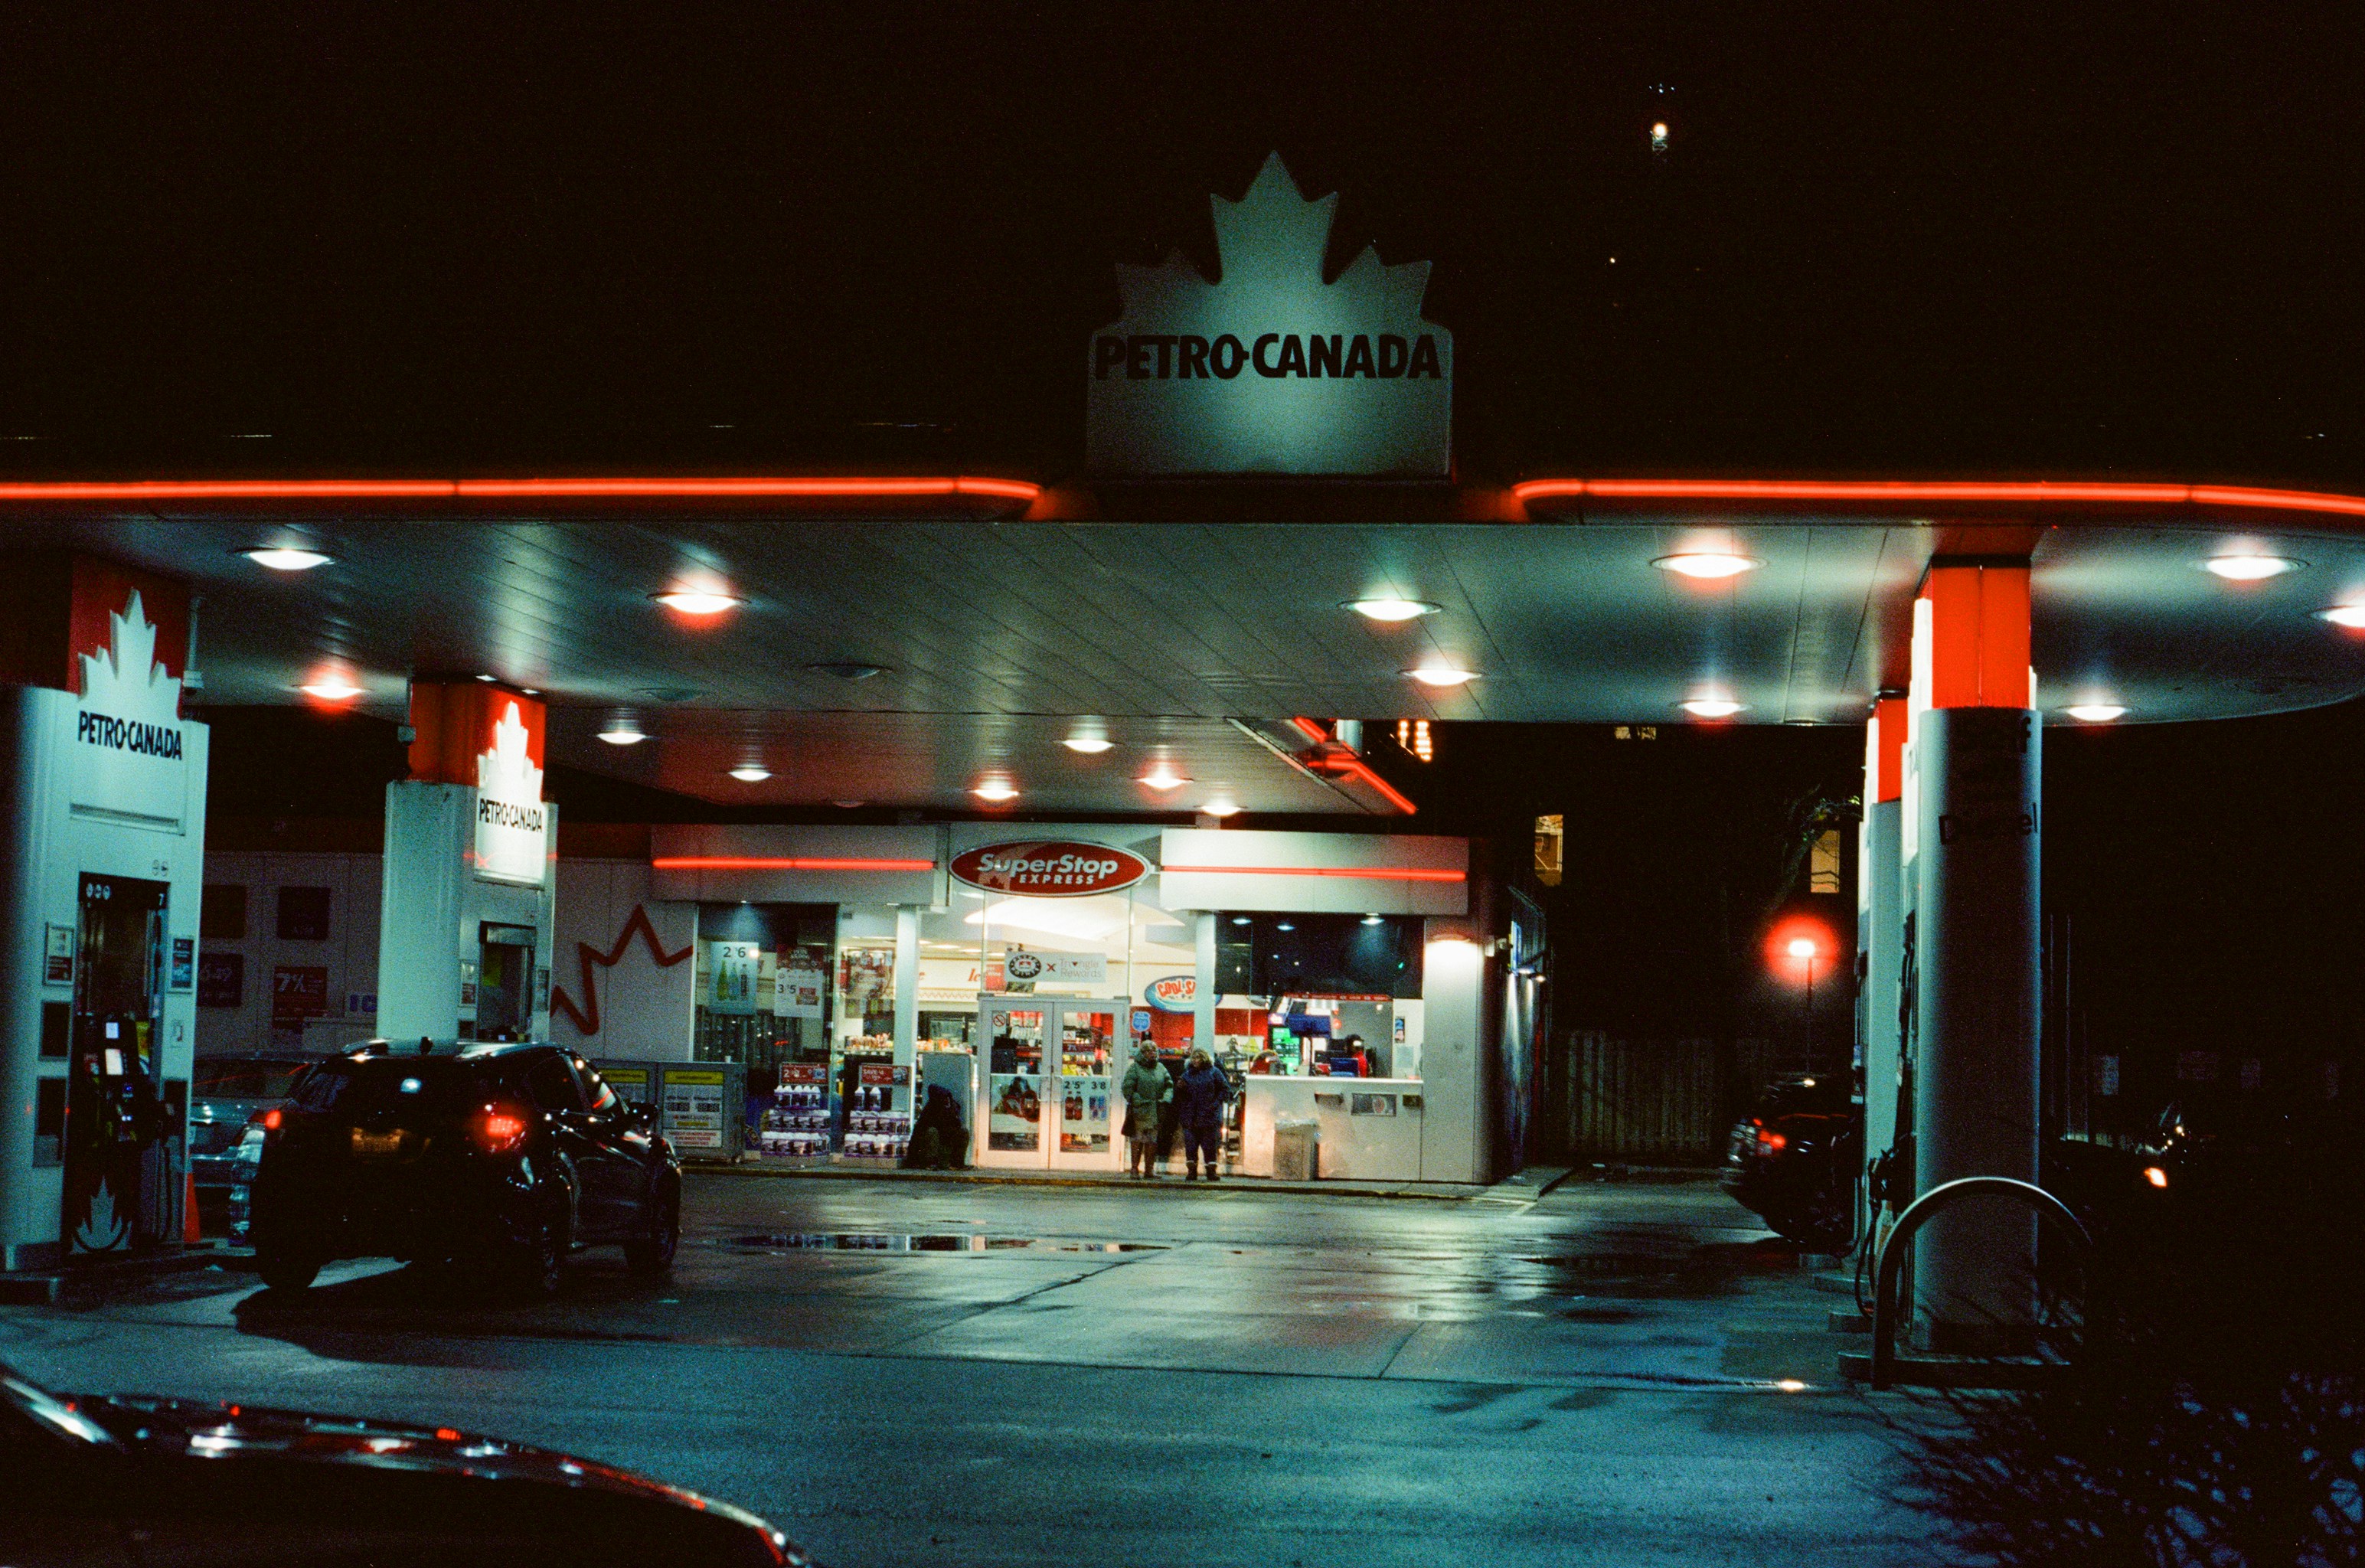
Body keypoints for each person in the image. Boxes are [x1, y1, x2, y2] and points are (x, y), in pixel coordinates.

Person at [1175, 1047, 1233, 1181]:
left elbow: (1225, 1090)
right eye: (1194, 1058)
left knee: (1209, 1146)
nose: (1196, 1061)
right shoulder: (1188, 1074)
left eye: (1199, 1058)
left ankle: (1210, 1172)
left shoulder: (1214, 1072)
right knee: (1191, 1146)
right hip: (1193, 1116)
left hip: (1207, 1116)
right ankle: (1192, 1171)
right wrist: (1180, 1088)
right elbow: (1180, 1095)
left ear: (1204, 1059)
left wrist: (1215, 1104)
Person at [1119, 1042, 1172, 1179]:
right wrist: (1136, 1099)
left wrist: (1166, 1098)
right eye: (1148, 1051)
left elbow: (1169, 1085)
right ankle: (1134, 1169)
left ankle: (1149, 1169)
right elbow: (1127, 1088)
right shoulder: (1135, 1068)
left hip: (1156, 1110)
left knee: (1152, 1141)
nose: (1152, 1053)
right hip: (1140, 1111)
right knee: (1137, 1140)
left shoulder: (1161, 1068)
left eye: (1154, 1051)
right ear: (1142, 1053)